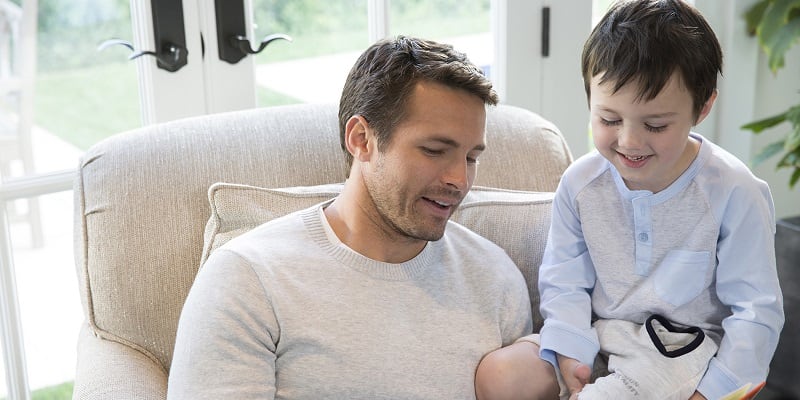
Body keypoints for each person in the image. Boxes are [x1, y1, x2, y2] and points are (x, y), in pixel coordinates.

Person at [166, 35, 533, 399]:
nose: (459, 179)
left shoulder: (495, 279)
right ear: (361, 139)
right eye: (434, 150)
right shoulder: (248, 277)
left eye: (471, 157)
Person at [474, 1, 784, 399]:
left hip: (684, 351)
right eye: (609, 120)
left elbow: (756, 310)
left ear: (702, 107)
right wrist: (570, 352)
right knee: (501, 376)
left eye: (655, 125)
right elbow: (565, 280)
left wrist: (715, 390)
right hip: (601, 335)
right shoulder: (580, 185)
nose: (630, 142)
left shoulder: (734, 191)